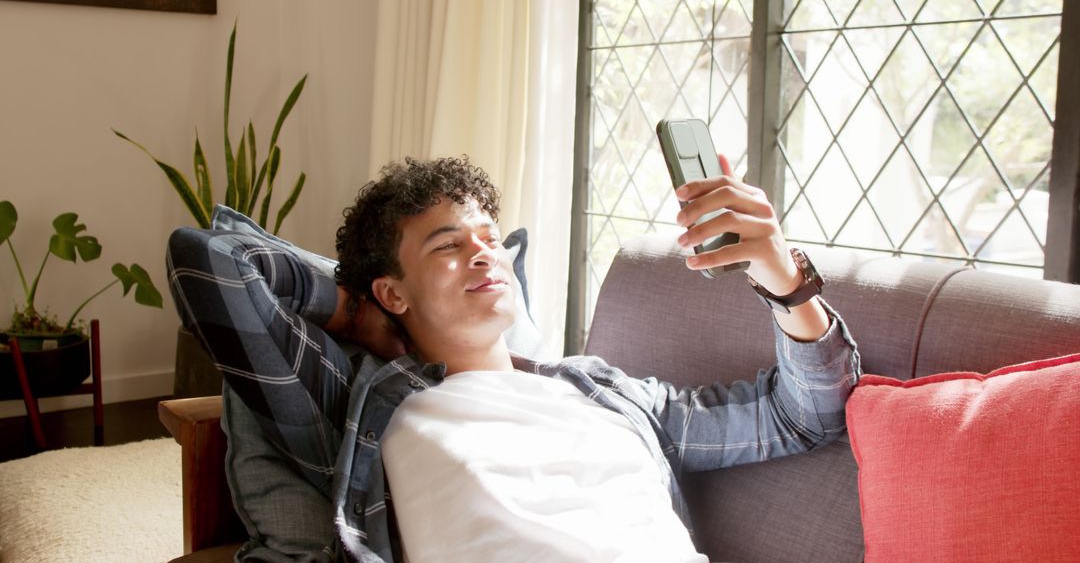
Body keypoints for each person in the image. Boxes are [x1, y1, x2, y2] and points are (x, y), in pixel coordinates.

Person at [166, 155, 861, 562]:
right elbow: (213, 266)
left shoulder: (607, 394)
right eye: (447, 245)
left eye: (489, 238)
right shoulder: (365, 404)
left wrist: (781, 272)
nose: (482, 253)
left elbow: (807, 416)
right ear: (391, 292)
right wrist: (353, 314)